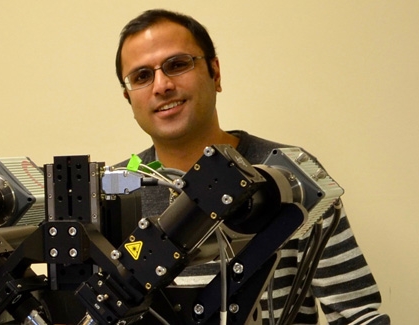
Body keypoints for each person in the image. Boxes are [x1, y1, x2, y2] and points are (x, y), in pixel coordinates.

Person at [114, 9, 390, 324]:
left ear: (215, 73)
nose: (161, 85)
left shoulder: (290, 173)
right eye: (142, 76)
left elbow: (357, 313)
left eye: (177, 65)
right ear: (128, 98)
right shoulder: (112, 195)